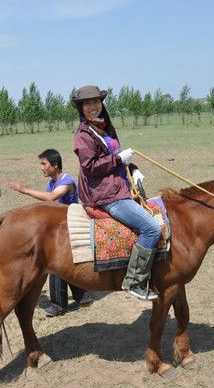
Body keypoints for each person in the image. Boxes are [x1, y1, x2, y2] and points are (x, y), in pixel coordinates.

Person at [72, 85, 162, 301]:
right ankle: (135, 280)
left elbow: (116, 156)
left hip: (118, 186)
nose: (93, 107)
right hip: (104, 194)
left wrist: (134, 168)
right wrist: (119, 159)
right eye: (88, 103)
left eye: (96, 102)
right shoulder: (83, 134)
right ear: (81, 108)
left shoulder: (105, 128)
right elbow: (90, 166)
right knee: (151, 229)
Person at [10, 149, 93, 316]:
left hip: (71, 225)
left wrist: (24, 190)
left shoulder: (66, 181)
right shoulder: (52, 182)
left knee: (54, 264)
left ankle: (58, 304)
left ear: (55, 165)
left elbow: (51, 198)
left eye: (44, 164)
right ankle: (81, 296)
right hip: (60, 227)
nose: (41, 167)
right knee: (68, 263)